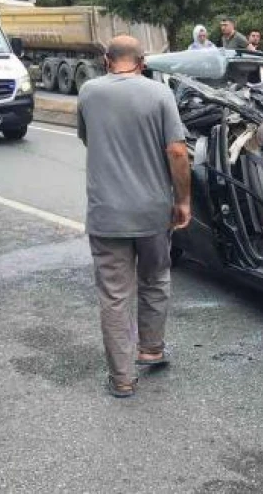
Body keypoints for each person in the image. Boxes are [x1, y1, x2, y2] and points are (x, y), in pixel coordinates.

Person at [77, 35, 191, 398]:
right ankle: (151, 348)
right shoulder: (160, 94)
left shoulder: (89, 92)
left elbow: (87, 138)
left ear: (107, 60)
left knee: (114, 294)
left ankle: (122, 378)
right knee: (155, 277)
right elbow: (177, 151)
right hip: (153, 211)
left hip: (106, 212)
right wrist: (183, 200)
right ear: (142, 62)